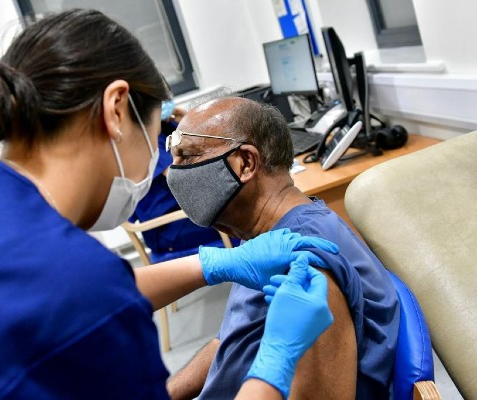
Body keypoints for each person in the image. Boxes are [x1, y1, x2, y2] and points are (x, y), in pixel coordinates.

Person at [0, 9, 340, 399]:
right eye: (158, 135)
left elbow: (27, 302)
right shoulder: (84, 291)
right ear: (117, 109)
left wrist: (214, 265)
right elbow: (77, 299)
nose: (160, 160)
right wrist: (275, 364)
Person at [165, 97, 400, 400]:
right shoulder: (260, 239)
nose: (174, 173)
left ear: (246, 163)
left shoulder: (306, 267)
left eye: (187, 156)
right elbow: (229, 340)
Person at [129, 103, 237, 263]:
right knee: (246, 217)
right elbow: (186, 179)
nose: (166, 102)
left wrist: (186, 121)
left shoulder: (167, 126)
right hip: (171, 229)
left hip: (188, 215)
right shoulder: (146, 138)